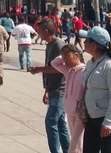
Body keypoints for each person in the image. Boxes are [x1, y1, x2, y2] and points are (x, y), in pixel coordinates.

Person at [31, 44, 87, 153]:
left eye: (67, 56)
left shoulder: (84, 71)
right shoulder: (68, 70)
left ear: (76, 55)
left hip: (80, 113)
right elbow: (54, 63)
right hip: (70, 111)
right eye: (63, 56)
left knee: (76, 144)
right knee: (76, 142)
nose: (64, 59)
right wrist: (63, 56)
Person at [78, 26, 111, 153]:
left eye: (87, 40)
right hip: (92, 118)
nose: (84, 42)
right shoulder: (90, 63)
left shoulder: (110, 65)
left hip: (109, 120)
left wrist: (108, 122)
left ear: (94, 45)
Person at [35, 18, 71, 153]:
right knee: (61, 124)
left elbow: (61, 68)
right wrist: (46, 90)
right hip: (53, 89)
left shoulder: (58, 45)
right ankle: (68, 150)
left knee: (51, 121)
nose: (38, 33)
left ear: (46, 31)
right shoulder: (49, 45)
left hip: (61, 90)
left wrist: (39, 69)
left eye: (39, 31)